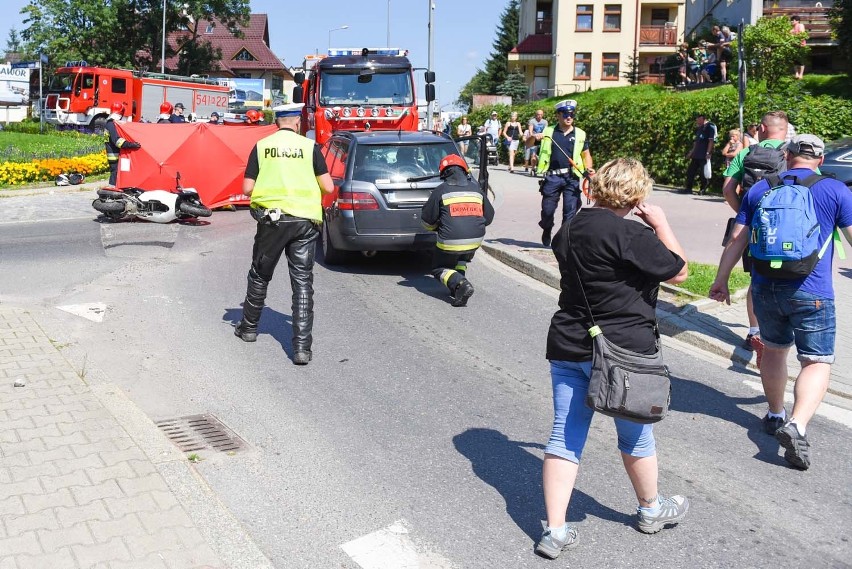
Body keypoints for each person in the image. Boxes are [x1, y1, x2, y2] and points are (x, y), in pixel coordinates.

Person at [536, 158, 689, 559]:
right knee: (636, 434)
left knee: (563, 437)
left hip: (570, 343)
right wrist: (660, 223)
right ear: (637, 196)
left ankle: (554, 531)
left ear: (595, 188)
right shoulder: (631, 234)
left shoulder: (568, 229)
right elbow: (680, 272)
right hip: (624, 352)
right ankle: (651, 511)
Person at [710, 134, 852, 470]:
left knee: (773, 350)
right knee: (816, 361)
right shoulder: (834, 190)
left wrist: (721, 280)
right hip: (813, 290)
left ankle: (775, 414)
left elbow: (736, 238)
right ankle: (797, 424)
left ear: (786, 156)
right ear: (819, 158)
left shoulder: (760, 189)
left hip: (765, 288)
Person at [234, 103, 335, 366]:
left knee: (259, 274)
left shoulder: (262, 146)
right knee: (302, 282)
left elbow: (247, 188)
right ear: (298, 123)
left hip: (272, 221)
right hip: (305, 221)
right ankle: (302, 349)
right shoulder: (309, 148)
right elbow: (327, 185)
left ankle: (248, 329)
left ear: (276, 122)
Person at [722, 110, 789, 361]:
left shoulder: (746, 154)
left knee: (756, 278)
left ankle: (754, 332)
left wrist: (744, 211)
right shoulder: (789, 154)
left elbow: (728, 189)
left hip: (753, 228)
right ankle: (779, 332)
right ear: (785, 129)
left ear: (761, 128)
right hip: (784, 228)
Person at [420, 154, 494, 307]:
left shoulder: (441, 190)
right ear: (464, 171)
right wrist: (473, 226)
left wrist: (437, 228)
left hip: (450, 241)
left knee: (438, 268)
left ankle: (461, 283)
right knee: (462, 257)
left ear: (443, 172)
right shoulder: (476, 189)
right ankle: (457, 288)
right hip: (475, 240)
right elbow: (490, 216)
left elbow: (427, 220)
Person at [536, 100, 594, 247]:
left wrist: (589, 168)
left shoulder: (580, 134)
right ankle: (547, 228)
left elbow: (586, 154)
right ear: (558, 115)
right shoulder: (548, 131)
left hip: (572, 177)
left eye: (572, 114)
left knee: (570, 211)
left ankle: (562, 241)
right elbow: (528, 143)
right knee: (548, 211)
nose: (569, 117)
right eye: (566, 114)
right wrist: (533, 137)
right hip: (552, 177)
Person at [104, 102, 141, 186]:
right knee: (115, 175)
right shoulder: (111, 124)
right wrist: (131, 145)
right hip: (115, 155)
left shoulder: (109, 123)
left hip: (113, 154)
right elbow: (117, 141)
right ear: (120, 113)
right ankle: (111, 192)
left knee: (116, 174)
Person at [681, 114, 716, 195]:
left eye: (698, 119)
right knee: (690, 171)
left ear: (703, 119)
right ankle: (688, 188)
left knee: (703, 173)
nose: (697, 121)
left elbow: (711, 141)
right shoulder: (700, 128)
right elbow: (696, 142)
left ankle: (703, 189)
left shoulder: (710, 127)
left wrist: (708, 153)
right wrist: (691, 152)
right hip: (696, 154)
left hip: (704, 154)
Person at [528, 109, 548, 177]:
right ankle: (533, 168)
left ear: (542, 115)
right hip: (534, 139)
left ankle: (544, 169)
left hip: (542, 139)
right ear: (536, 115)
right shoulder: (532, 121)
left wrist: (541, 135)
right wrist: (535, 136)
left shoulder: (545, 122)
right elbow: (530, 132)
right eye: (538, 114)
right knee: (533, 156)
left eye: (541, 115)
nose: (539, 116)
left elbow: (546, 131)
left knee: (544, 155)